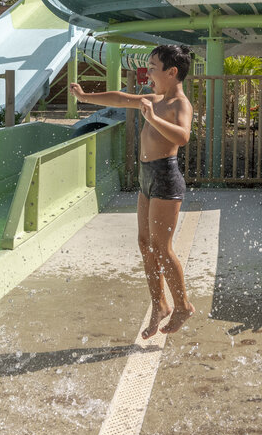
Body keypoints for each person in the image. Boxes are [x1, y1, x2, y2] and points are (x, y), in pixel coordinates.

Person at [69, 45, 195, 338]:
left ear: (172, 72)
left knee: (162, 247)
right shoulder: (154, 99)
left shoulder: (180, 104)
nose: (148, 73)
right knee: (145, 243)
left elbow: (183, 136)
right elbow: (120, 98)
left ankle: (183, 305)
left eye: (152, 68)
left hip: (165, 177)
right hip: (146, 177)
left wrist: (153, 119)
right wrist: (85, 97)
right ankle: (159, 304)